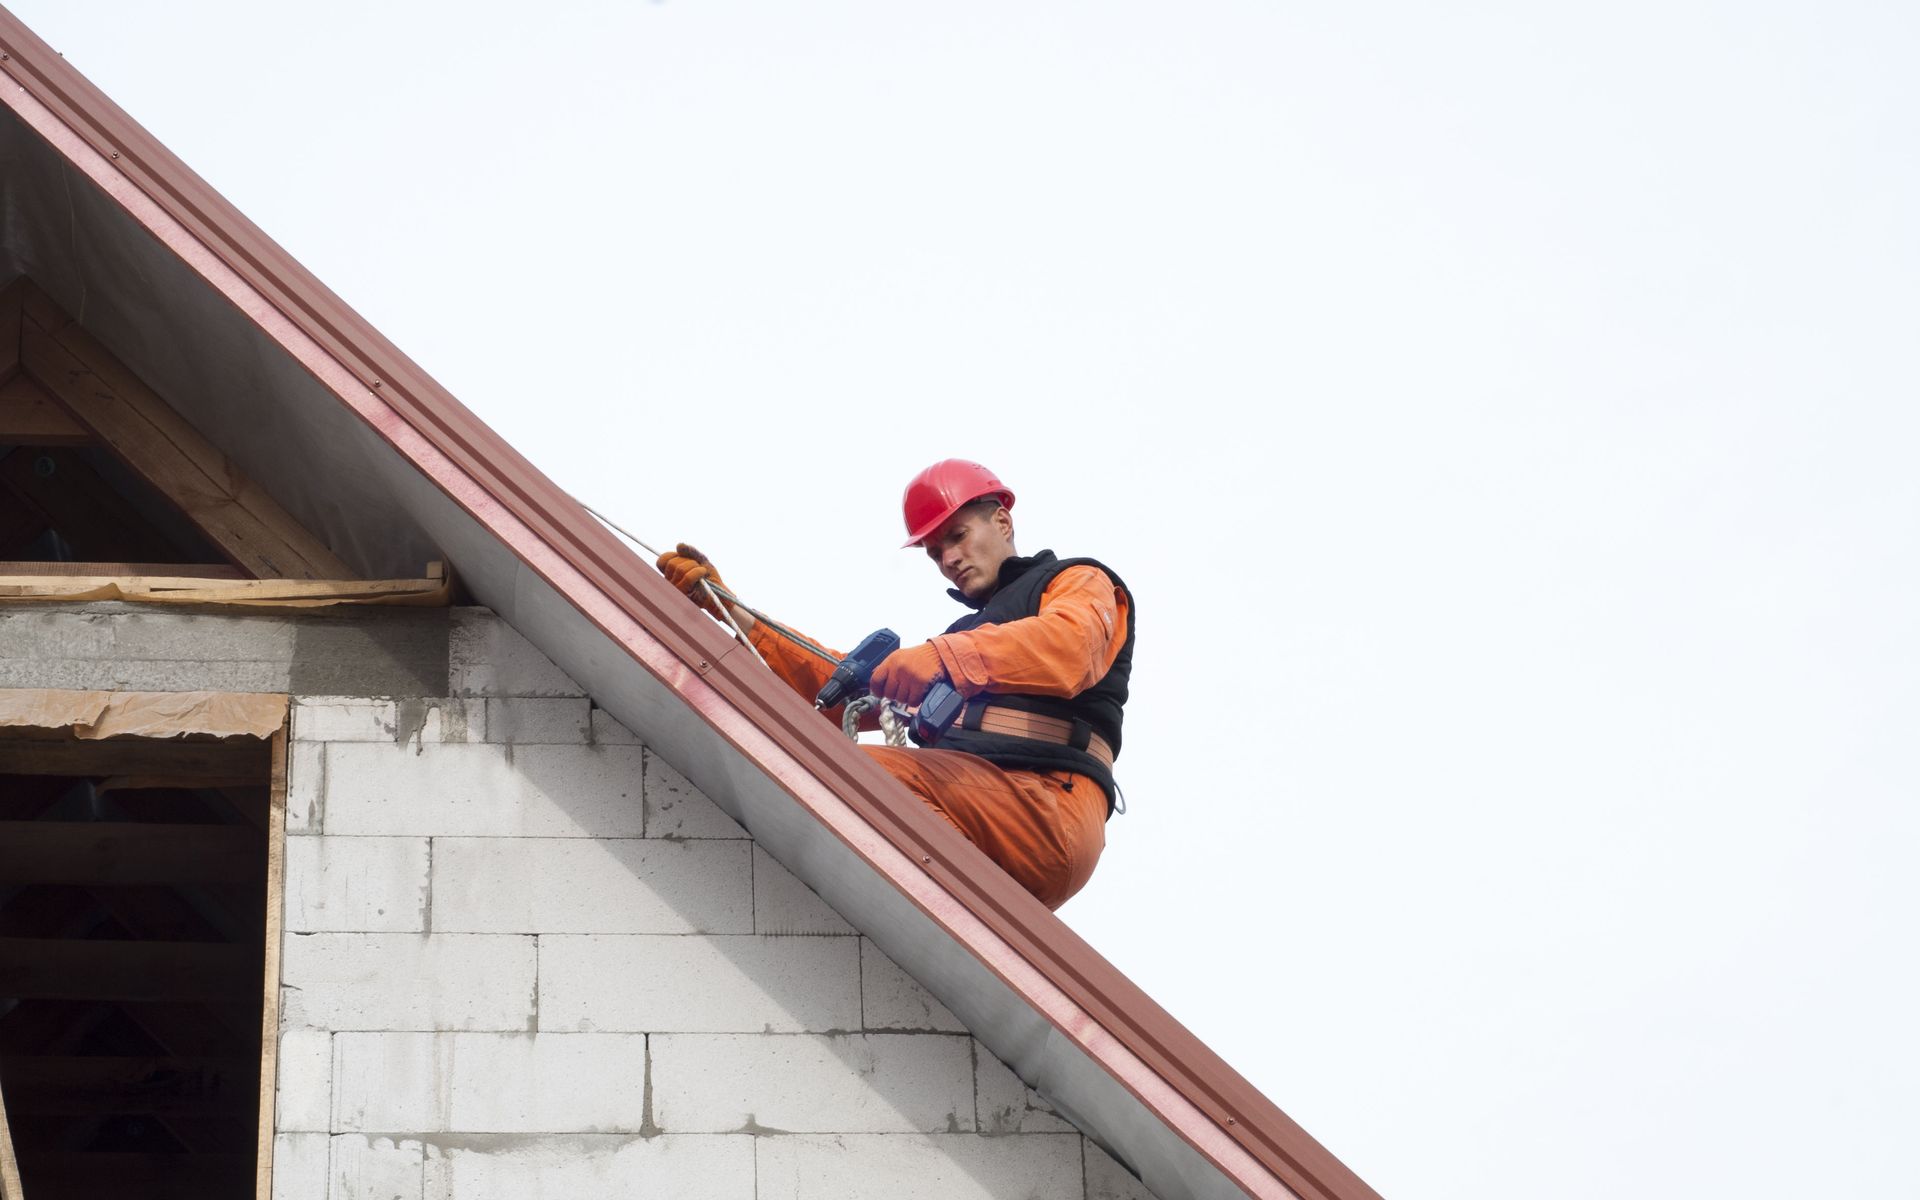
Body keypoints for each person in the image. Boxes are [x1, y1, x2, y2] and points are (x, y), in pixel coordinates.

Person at [655, 459, 1133, 910]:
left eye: (958, 536)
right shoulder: (963, 639)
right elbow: (841, 692)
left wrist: (943, 657)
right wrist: (731, 612)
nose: (948, 558)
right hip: (979, 799)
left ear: (1003, 523)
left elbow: (1073, 645)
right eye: (934, 551)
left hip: (1047, 806)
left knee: (864, 777)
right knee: (836, 773)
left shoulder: (1076, 580)